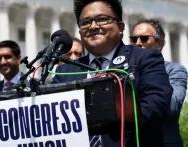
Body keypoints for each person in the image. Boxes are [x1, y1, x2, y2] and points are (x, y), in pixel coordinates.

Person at [52, 0, 172, 146]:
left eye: (102, 19)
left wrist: (109, 115)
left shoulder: (144, 58)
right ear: (79, 31)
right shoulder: (64, 72)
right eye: (85, 22)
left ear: (120, 27)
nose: (93, 26)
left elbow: (157, 105)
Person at [130, 18, 187, 147]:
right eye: (133, 39)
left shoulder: (174, 70)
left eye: (144, 38)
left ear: (160, 44)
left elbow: (172, 107)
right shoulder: (124, 71)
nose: (138, 43)